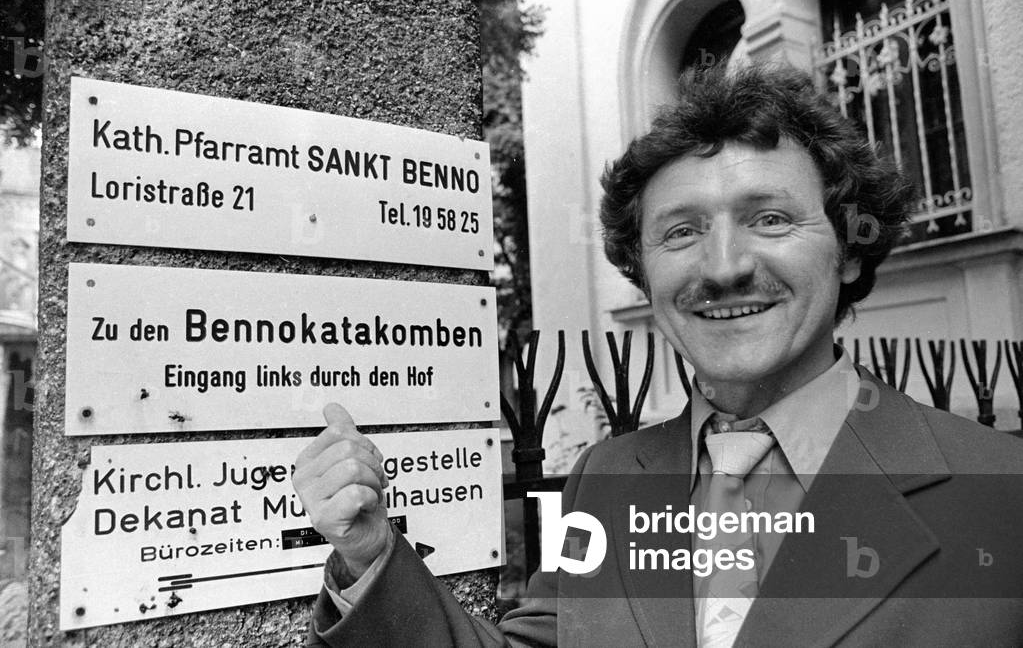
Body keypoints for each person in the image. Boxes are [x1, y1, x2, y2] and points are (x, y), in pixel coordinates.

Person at [294, 64, 1023, 647]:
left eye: (769, 218)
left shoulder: (1002, 491)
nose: (724, 265)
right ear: (643, 275)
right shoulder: (604, 479)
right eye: (679, 232)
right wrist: (369, 557)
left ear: (847, 254)